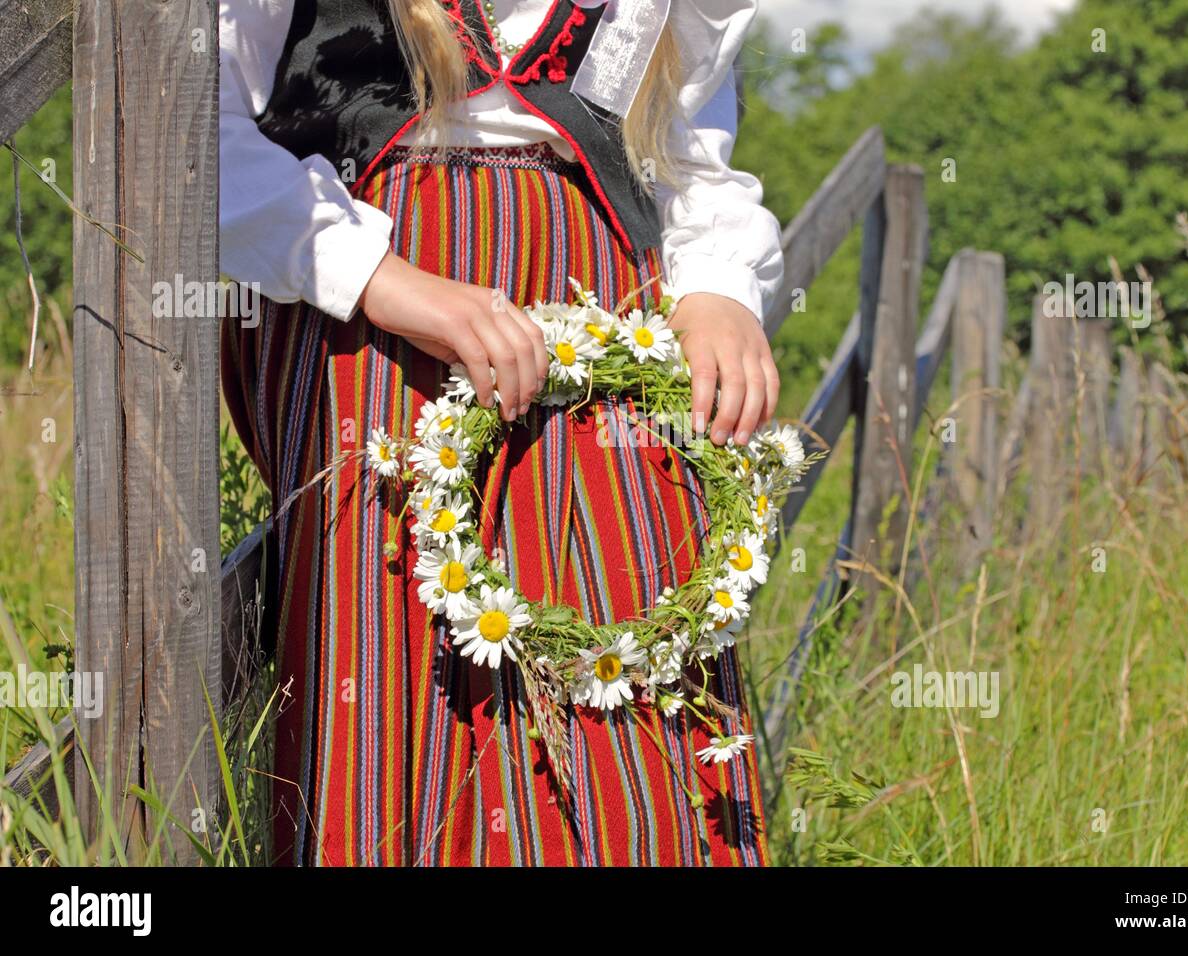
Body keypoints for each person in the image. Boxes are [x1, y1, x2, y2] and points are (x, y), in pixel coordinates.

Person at [219, 0, 784, 865]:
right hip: (369, 297)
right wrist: (380, 278)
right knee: (393, 661)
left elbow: (687, 131)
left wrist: (715, 280)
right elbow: (194, 130)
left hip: (593, 281)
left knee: (627, 644)